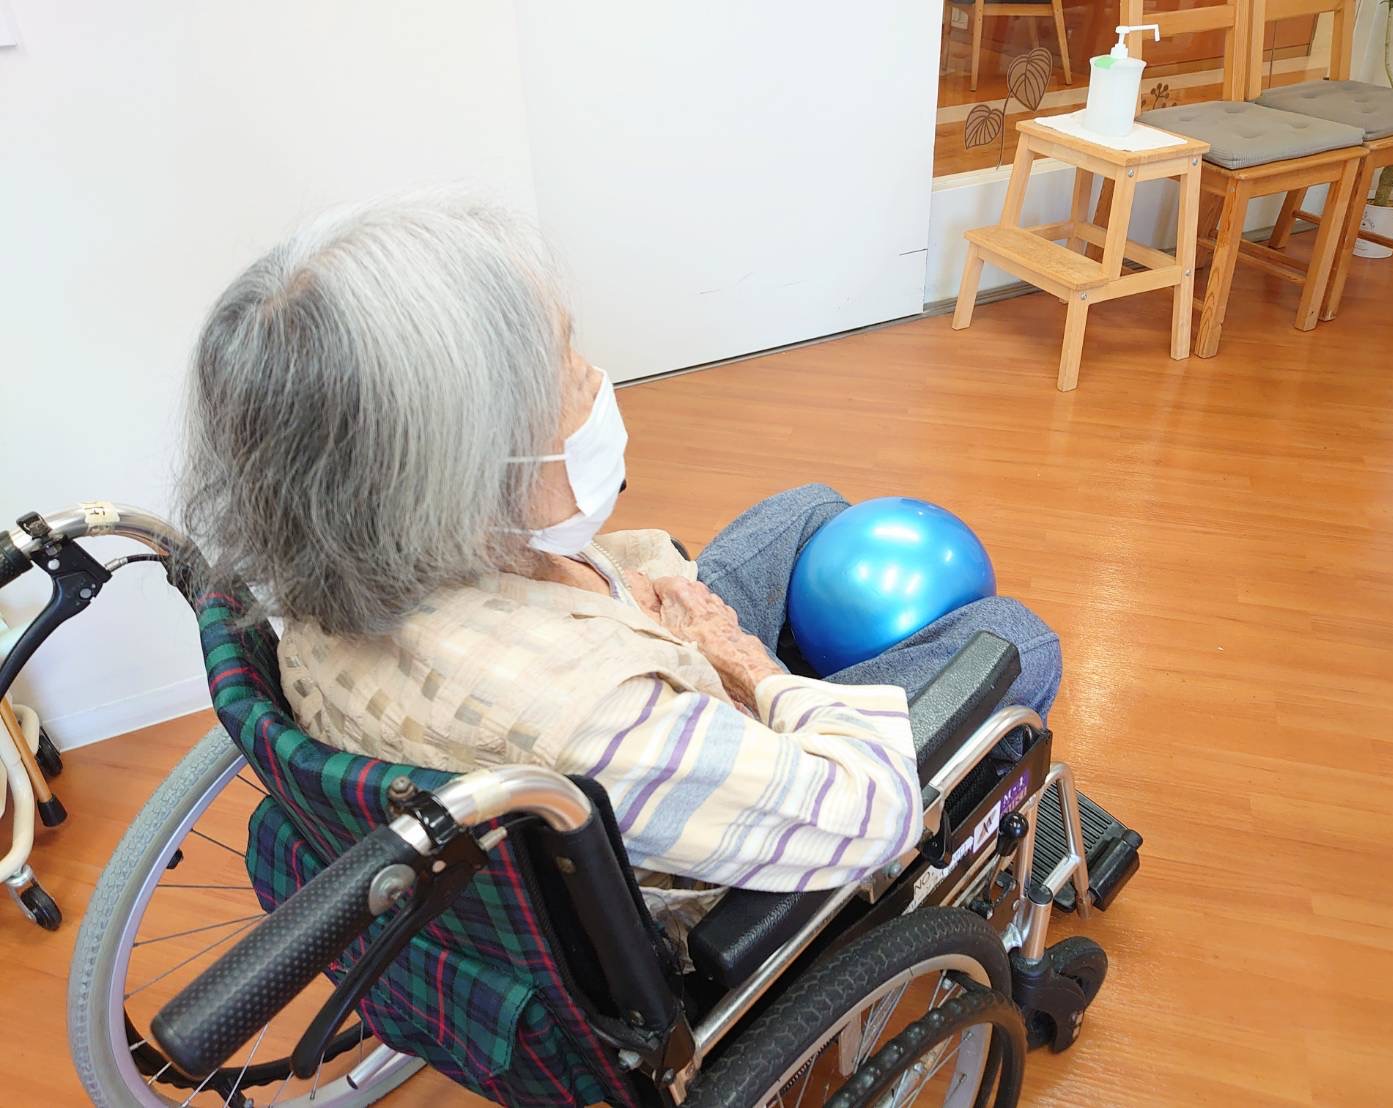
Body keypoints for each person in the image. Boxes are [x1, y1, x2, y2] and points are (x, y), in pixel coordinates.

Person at [179, 195, 1061, 950]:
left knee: (808, 508)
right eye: (564, 363)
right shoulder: (598, 721)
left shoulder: (323, 573)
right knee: (1016, 640)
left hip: (594, 688)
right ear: (465, 463)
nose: (594, 379)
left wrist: (625, 605)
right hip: (710, 818)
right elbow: (865, 813)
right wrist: (744, 661)